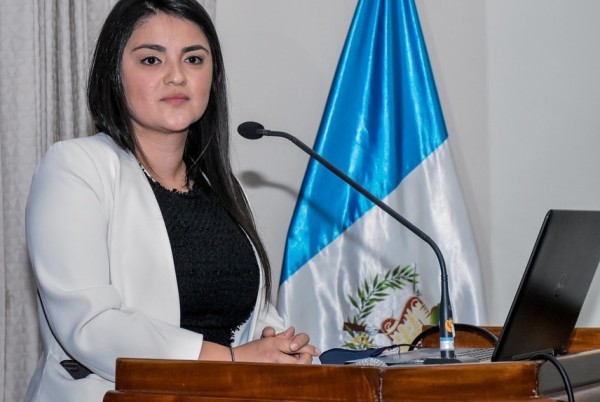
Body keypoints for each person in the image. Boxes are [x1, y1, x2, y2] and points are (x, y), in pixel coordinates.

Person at [24, 0, 320, 400]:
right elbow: (91, 324)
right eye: (151, 60)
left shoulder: (221, 187)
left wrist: (285, 350)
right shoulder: (76, 167)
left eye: (194, 59)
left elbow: (252, 316)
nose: (177, 76)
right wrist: (231, 361)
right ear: (114, 74)